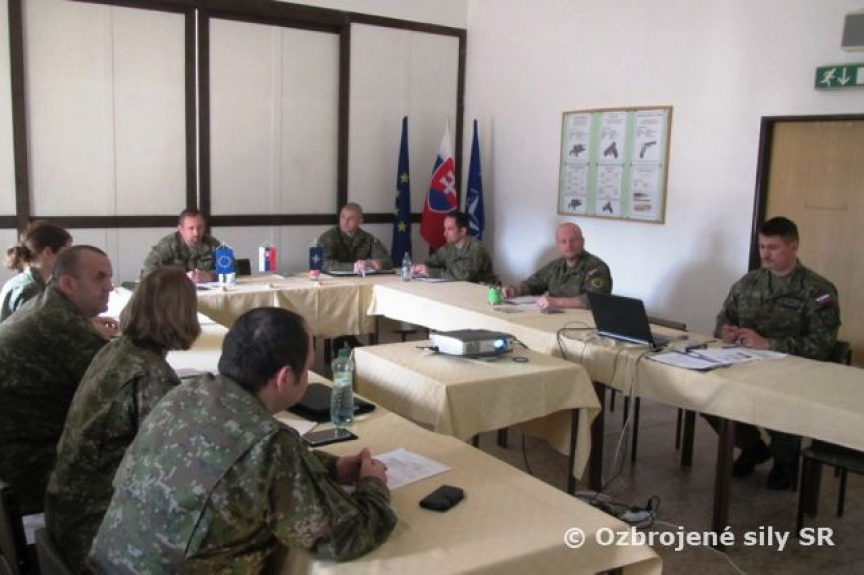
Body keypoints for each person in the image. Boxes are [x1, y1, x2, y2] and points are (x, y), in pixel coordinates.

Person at [89, 307, 396, 572]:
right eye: (307, 369)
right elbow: (346, 537)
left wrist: (332, 467)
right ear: (284, 378)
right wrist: (373, 485)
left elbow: (245, 463)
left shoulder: (185, 394)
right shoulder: (269, 442)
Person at [45, 267, 201, 573]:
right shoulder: (150, 375)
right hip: (95, 527)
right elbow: (175, 470)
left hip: (66, 508)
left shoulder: (116, 350)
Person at [707, 216, 840, 490]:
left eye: (773, 247)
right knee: (705, 393)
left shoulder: (818, 291)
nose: (765, 254)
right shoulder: (748, 283)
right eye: (762, 246)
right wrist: (725, 332)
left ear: (794, 246)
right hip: (745, 364)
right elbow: (723, 319)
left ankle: (784, 460)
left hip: (795, 372)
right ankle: (752, 448)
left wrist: (769, 344)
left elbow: (822, 345)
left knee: (778, 400)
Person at [0, 246, 117, 513]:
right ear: (68, 284)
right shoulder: (67, 329)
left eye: (109, 277)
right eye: (99, 278)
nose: (109, 286)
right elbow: (118, 397)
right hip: (29, 467)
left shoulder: (49, 306)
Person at [502, 222, 612, 309]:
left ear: (583, 241)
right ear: (558, 245)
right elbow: (532, 284)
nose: (569, 246)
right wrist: (513, 291)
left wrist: (557, 302)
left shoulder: (596, 268)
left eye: (574, 240)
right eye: (563, 241)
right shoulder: (555, 266)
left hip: (583, 324)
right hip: (554, 319)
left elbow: (595, 299)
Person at [1, 221, 72, 321]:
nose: (69, 256)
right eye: (66, 250)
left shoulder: (23, 281)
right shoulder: (30, 289)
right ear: (47, 252)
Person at [411, 211, 495, 283]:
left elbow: (461, 277)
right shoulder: (449, 247)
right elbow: (432, 261)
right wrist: (418, 268)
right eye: (445, 229)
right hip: (459, 290)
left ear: (462, 231)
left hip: (484, 292)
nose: (445, 234)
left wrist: (430, 272)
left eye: (450, 229)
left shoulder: (475, 249)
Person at [142, 208, 222, 282]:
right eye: (191, 228)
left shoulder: (212, 244)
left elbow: (228, 270)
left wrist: (212, 276)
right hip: (173, 289)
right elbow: (147, 272)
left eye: (200, 227)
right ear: (181, 229)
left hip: (204, 290)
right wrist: (179, 278)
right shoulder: (168, 245)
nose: (196, 233)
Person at [318, 202, 392, 274]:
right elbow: (322, 263)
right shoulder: (328, 238)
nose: (345, 222)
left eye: (351, 219)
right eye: (342, 217)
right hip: (334, 280)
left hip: (362, 279)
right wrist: (353, 267)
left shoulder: (368, 239)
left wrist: (372, 264)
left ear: (360, 221)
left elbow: (388, 262)